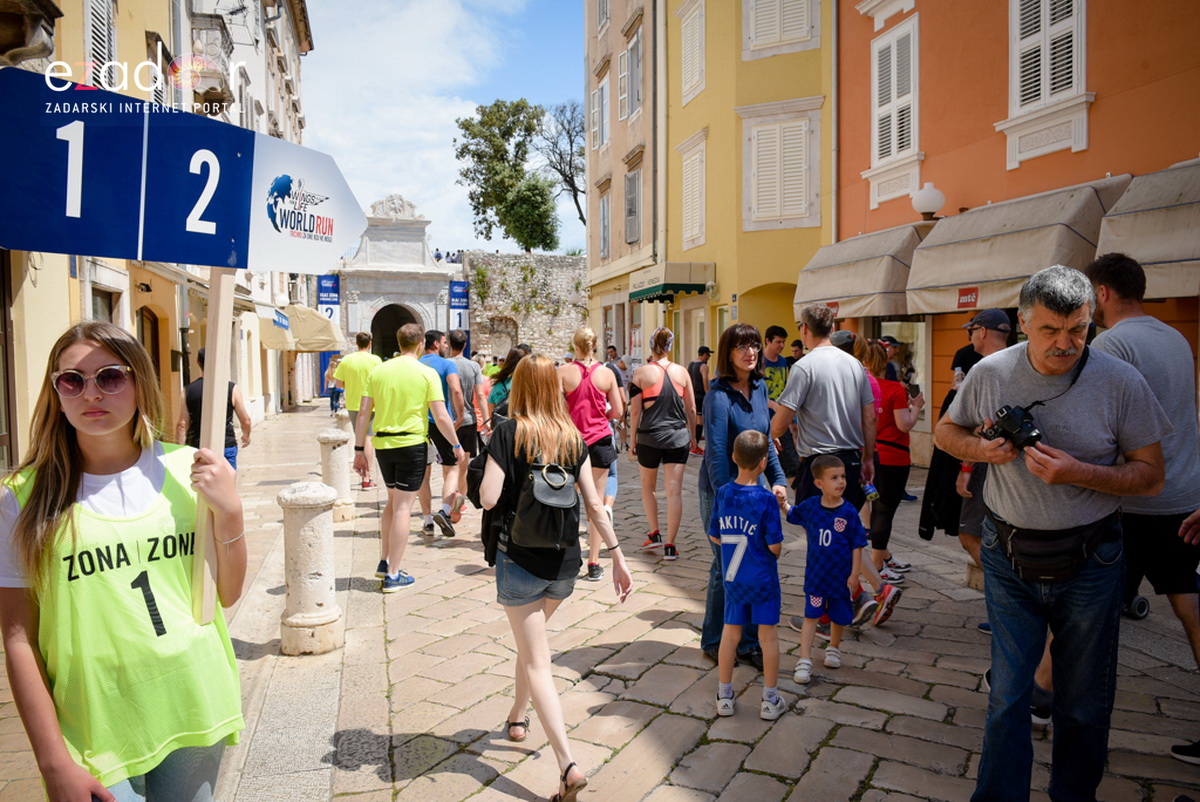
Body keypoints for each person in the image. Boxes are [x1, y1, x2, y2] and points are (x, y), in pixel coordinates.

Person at [935, 265, 1167, 801]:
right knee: (1008, 697)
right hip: (1006, 553)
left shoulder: (1121, 382)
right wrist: (982, 449)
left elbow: (1152, 476)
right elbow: (947, 431)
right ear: (1022, 321)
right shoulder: (990, 372)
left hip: (1093, 560)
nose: (1065, 344)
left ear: (1093, 322)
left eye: (1079, 330)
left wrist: (1079, 471)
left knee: (1084, 703)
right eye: (1049, 330)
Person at [0, 321, 246, 800]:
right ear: (56, 392)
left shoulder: (187, 470)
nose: (91, 393)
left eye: (110, 376)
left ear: (139, 382)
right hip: (94, 724)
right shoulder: (21, 499)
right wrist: (53, 764)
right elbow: (17, 638)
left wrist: (229, 508)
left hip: (193, 702)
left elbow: (229, 592)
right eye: (72, 380)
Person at [479, 354, 633, 802]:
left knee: (536, 660)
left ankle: (567, 764)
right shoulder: (573, 438)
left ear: (521, 386)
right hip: (565, 564)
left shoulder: (508, 432)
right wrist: (618, 558)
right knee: (533, 645)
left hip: (520, 559)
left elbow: (489, 500)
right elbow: (596, 505)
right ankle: (516, 714)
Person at [1083, 253, 1200, 761]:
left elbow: (1099, 427)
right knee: (1190, 609)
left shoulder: (1111, 343)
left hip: (1130, 502)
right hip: (1183, 497)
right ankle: (1042, 693)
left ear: (1102, 293)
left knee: (1083, 602)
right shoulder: (1175, 337)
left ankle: (1045, 698)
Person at [698, 323, 790, 671]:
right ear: (728, 353)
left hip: (755, 493)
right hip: (723, 494)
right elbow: (717, 454)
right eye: (742, 347)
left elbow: (764, 441)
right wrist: (729, 500)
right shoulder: (717, 396)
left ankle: (744, 642)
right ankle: (716, 641)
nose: (750, 352)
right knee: (728, 568)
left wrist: (777, 479)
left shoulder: (759, 386)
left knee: (750, 567)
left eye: (753, 345)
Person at [354, 323, 463, 591]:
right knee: (403, 507)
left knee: (392, 502)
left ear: (399, 342)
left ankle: (384, 560)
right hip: (411, 443)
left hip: (383, 445)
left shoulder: (378, 371)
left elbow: (363, 413)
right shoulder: (426, 373)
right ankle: (392, 574)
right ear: (419, 344)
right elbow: (440, 415)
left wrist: (359, 450)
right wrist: (456, 445)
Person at [712, 430, 788, 721]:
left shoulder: (723, 493)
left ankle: (725, 694)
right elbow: (775, 545)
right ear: (764, 462)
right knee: (767, 637)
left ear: (733, 457)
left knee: (730, 635)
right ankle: (769, 699)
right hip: (762, 580)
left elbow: (716, 536)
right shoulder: (767, 500)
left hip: (733, 579)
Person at [952, 309, 1013, 634]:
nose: (970, 336)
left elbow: (981, 428)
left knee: (970, 535)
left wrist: (965, 467)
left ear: (984, 331)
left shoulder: (986, 370)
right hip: (1007, 467)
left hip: (985, 465)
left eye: (972, 330)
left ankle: (1005, 607)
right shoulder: (1019, 363)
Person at [787, 454, 867, 685]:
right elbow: (793, 515)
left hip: (840, 580)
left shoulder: (849, 512)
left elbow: (857, 544)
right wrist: (782, 504)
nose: (841, 482)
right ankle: (804, 658)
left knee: (839, 617)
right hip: (816, 578)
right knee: (811, 616)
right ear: (819, 483)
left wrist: (854, 574)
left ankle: (833, 647)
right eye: (834, 478)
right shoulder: (811, 507)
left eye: (842, 477)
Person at [559, 327, 624, 581]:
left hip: (571, 441)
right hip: (599, 440)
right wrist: (600, 418)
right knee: (596, 504)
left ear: (574, 345)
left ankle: (569, 557)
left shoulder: (562, 372)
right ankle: (594, 561)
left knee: (567, 501)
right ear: (595, 345)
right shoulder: (607, 373)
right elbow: (617, 410)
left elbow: (557, 409)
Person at [629, 327, 699, 561]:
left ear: (650, 346)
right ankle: (671, 545)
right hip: (677, 437)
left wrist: (632, 441)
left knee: (648, 487)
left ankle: (654, 533)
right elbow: (691, 408)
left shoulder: (641, 373)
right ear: (671, 346)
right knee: (674, 491)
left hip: (649, 437)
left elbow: (636, 410)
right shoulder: (683, 372)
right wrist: (693, 436)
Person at [861, 341, 924, 579]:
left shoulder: (862, 387)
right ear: (885, 361)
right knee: (885, 511)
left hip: (871, 454)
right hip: (894, 456)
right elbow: (904, 424)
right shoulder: (895, 389)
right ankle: (878, 565)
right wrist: (916, 407)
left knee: (876, 508)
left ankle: (883, 555)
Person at [419, 330, 466, 537]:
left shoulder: (416, 363)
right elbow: (455, 390)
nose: (447, 346)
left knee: (424, 473)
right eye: (445, 343)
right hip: (439, 421)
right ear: (437, 344)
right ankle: (445, 512)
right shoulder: (447, 364)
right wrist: (461, 414)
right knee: (453, 467)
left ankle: (427, 521)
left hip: (419, 423)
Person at [175, 346, 252, 470]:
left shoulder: (187, 391)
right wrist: (246, 436)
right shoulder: (231, 388)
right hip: (225, 445)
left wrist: (179, 449)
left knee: (200, 484)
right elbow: (245, 419)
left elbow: (182, 425)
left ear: (198, 362)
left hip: (198, 447)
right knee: (227, 483)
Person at [335, 332, 383, 489]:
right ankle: (367, 477)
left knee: (359, 438)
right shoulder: (375, 360)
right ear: (370, 343)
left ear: (356, 343)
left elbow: (338, 385)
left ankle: (364, 476)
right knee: (369, 438)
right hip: (373, 403)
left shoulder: (347, 360)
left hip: (354, 403)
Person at [449, 329, 489, 508]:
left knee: (449, 466)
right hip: (469, 419)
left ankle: (448, 498)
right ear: (465, 345)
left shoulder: (444, 364)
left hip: (448, 421)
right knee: (464, 464)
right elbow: (480, 396)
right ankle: (460, 501)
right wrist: (486, 420)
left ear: (449, 344)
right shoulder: (473, 367)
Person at [763, 325, 801, 481]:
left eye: (783, 342)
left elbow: (786, 387)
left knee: (791, 463)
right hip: (763, 418)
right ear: (768, 341)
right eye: (778, 341)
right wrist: (772, 404)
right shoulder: (758, 362)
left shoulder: (783, 361)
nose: (781, 345)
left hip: (781, 419)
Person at [487, 346, 527, 423]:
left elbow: (492, 414)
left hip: (503, 430)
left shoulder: (498, 385)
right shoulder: (529, 385)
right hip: (525, 429)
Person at [687, 346, 712, 451]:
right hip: (701, 396)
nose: (709, 357)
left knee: (692, 420)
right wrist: (709, 396)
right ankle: (695, 445)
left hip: (692, 395)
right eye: (708, 355)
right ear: (704, 354)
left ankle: (691, 442)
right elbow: (705, 384)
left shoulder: (690, 365)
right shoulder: (704, 367)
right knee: (700, 421)